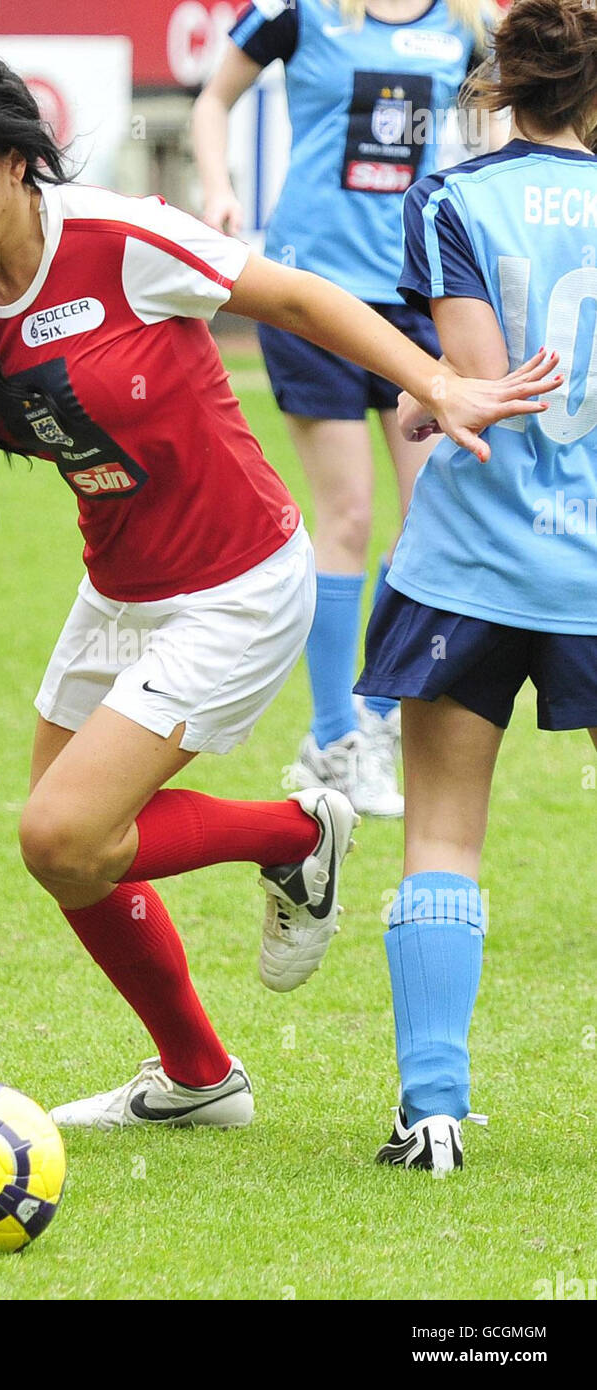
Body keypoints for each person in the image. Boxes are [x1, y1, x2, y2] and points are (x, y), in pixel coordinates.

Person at [0, 44, 556, 1132]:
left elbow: (300, 298)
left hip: (237, 582)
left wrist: (433, 380)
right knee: (73, 859)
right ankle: (197, 1078)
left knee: (58, 833)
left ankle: (294, 832)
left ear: (16, 161)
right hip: (118, 592)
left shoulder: (120, 238)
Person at [354, 0, 597, 1172]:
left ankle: (433, 1111)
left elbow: (477, 389)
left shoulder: (447, 197)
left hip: (470, 565)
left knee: (443, 833)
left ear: (498, 81)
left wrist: (418, 398)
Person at [193, 0, 497, 816]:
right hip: (312, 297)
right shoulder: (299, 11)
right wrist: (219, 189)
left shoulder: (469, 18)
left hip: (418, 297)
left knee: (432, 521)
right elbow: (213, 98)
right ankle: (335, 739)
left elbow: (519, 111)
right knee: (349, 515)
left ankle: (378, 720)